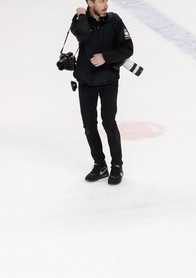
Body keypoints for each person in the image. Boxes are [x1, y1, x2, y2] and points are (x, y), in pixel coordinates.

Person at [71, 0, 133, 185]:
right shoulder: (80, 21)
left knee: (109, 123)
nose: (105, 4)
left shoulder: (115, 20)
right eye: (100, 1)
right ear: (90, 2)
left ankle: (117, 165)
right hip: (86, 82)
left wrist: (105, 57)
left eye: (106, 0)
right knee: (89, 126)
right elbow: (81, 33)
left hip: (108, 81)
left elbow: (128, 48)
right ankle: (100, 165)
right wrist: (82, 15)